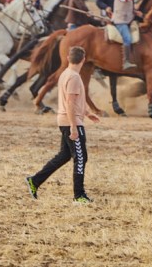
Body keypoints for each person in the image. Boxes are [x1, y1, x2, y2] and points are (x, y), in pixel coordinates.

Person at [24, 45, 100, 203]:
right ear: (83, 60)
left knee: (64, 155)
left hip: (65, 120)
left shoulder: (65, 74)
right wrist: (74, 126)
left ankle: (35, 181)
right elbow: (70, 103)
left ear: (67, 58)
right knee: (81, 158)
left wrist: (87, 113)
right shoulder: (74, 77)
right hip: (71, 121)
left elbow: (74, 101)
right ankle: (79, 196)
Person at [112, 0, 149, 69]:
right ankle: (126, 62)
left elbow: (127, 5)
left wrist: (134, 12)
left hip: (126, 20)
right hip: (120, 21)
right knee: (127, 39)